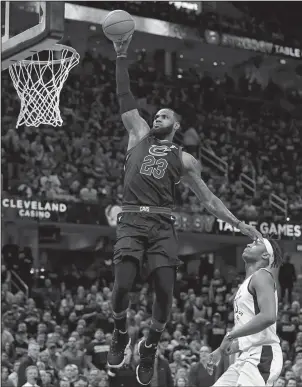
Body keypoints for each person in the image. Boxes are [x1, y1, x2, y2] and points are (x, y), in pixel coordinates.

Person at [106, 34, 263, 386]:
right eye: (156, 114)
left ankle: (149, 346)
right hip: (131, 218)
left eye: (164, 115)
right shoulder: (138, 134)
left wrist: (238, 224)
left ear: (175, 126)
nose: (157, 116)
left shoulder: (185, 158)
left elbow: (208, 200)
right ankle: (120, 333)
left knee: (165, 291)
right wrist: (120, 56)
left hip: (162, 223)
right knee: (123, 286)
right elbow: (124, 97)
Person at [207, 237, 284, 386]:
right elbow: (252, 333)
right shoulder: (247, 283)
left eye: (256, 243)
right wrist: (221, 350)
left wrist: (231, 335)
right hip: (246, 356)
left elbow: (268, 316)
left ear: (266, 255)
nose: (249, 244)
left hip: (263, 354)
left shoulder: (262, 275)